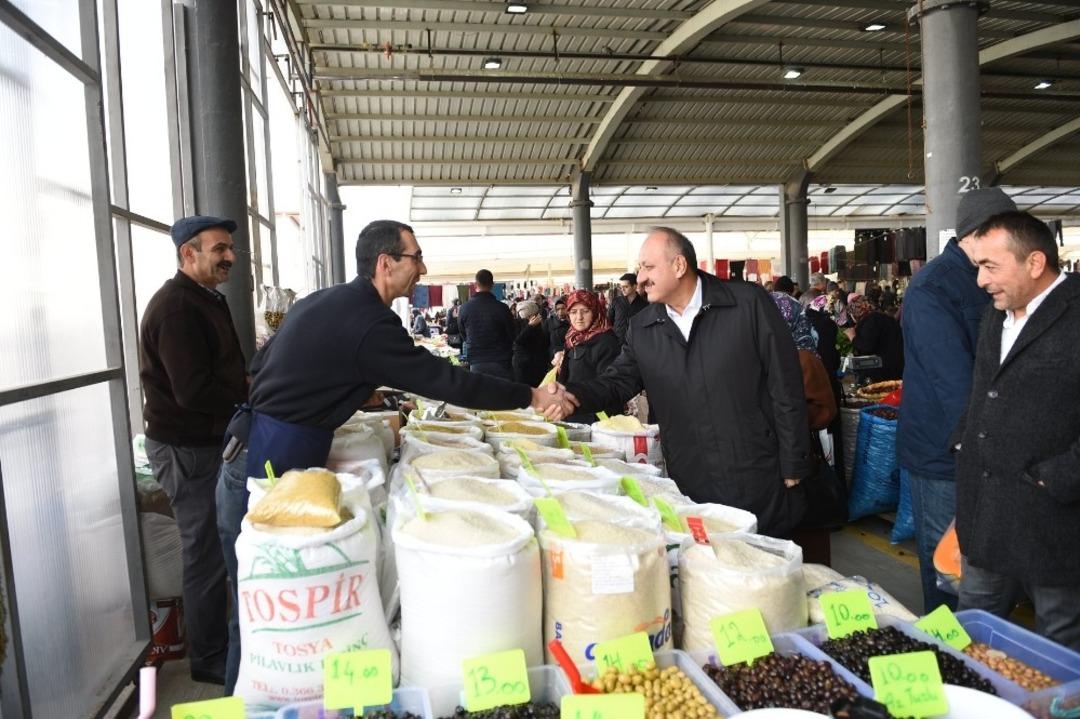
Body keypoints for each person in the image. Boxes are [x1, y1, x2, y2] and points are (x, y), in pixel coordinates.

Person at [215, 221, 576, 692]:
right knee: (261, 611)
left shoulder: (326, 301)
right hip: (269, 461)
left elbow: (264, 366)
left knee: (260, 606)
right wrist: (529, 395)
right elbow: (445, 381)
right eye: (416, 257)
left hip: (255, 445)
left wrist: (349, 387)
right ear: (386, 263)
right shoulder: (370, 321)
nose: (422, 269)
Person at [562, 227, 814, 537]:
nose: (640, 278)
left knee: (765, 557)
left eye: (648, 267)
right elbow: (616, 383)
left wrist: (794, 461)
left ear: (679, 265)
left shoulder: (747, 303)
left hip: (758, 470)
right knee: (705, 558)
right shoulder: (643, 328)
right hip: (691, 476)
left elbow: (785, 383)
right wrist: (567, 395)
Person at [954, 211, 1080, 651]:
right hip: (987, 513)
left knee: (1059, 643)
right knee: (971, 633)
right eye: (978, 267)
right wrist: (964, 441)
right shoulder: (996, 315)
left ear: (1035, 262)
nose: (981, 281)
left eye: (991, 266)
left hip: (1055, 519)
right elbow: (986, 391)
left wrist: (1057, 477)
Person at [139, 215, 248, 685]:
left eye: (230, 249)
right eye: (219, 249)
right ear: (189, 253)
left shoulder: (204, 299)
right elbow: (192, 391)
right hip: (186, 449)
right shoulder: (177, 309)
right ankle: (209, 658)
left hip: (205, 444)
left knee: (213, 549)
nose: (229, 257)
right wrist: (247, 399)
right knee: (204, 552)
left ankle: (218, 646)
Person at [897, 187, 1016, 613]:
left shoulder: (1000, 279)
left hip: (990, 449)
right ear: (977, 234)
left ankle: (985, 644)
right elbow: (954, 386)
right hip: (945, 457)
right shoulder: (933, 288)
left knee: (989, 570)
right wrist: (993, 452)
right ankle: (949, 650)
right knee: (949, 575)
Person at [770, 291, 838, 563]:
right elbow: (825, 411)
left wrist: (783, 418)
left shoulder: (800, 358)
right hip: (790, 460)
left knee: (802, 544)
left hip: (792, 461)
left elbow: (822, 411)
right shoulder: (797, 354)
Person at [555, 290, 623, 424]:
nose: (579, 317)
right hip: (573, 413)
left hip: (596, 418)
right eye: (573, 312)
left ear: (595, 312)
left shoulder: (607, 341)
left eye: (585, 311)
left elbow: (608, 386)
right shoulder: (573, 337)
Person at [459, 269, 517, 380]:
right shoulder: (502, 308)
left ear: (475, 284)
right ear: (492, 285)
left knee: (481, 390)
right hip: (501, 360)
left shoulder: (464, 308)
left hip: (477, 360)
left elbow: (463, 333)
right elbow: (511, 334)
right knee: (502, 390)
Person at [847, 294, 904, 381]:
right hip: (897, 365)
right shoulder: (881, 316)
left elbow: (867, 346)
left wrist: (852, 337)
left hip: (885, 370)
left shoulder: (870, 320)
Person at [512, 300, 550, 386]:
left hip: (537, 367)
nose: (538, 315)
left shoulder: (538, 325)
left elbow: (543, 344)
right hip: (523, 367)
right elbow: (518, 341)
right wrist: (530, 326)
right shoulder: (516, 323)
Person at [607, 272, 649, 344]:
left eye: (626, 287)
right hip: (617, 342)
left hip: (637, 342)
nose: (622, 289)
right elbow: (609, 321)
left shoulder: (644, 304)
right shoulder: (616, 302)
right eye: (621, 287)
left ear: (634, 286)